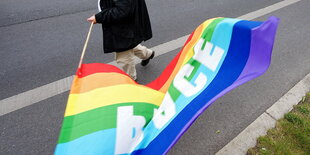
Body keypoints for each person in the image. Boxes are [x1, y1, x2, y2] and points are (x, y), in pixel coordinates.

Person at [87, 0, 155, 81]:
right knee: (128, 46)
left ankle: (130, 81)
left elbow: (122, 10)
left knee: (123, 56)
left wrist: (99, 17)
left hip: (123, 27)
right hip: (124, 26)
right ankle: (147, 54)